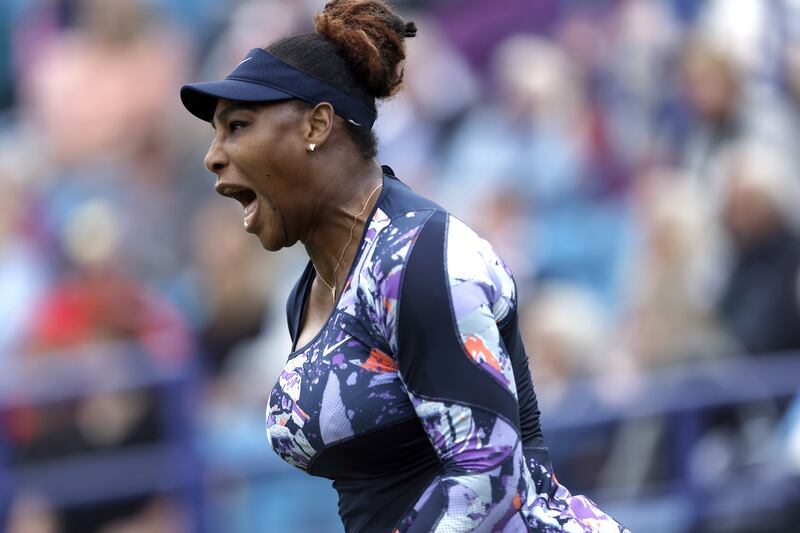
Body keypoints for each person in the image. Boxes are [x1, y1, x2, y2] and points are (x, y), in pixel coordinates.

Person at [180, 1, 628, 531]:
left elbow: (488, 481)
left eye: (237, 125)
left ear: (316, 125)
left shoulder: (418, 259)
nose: (213, 155)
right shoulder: (311, 289)